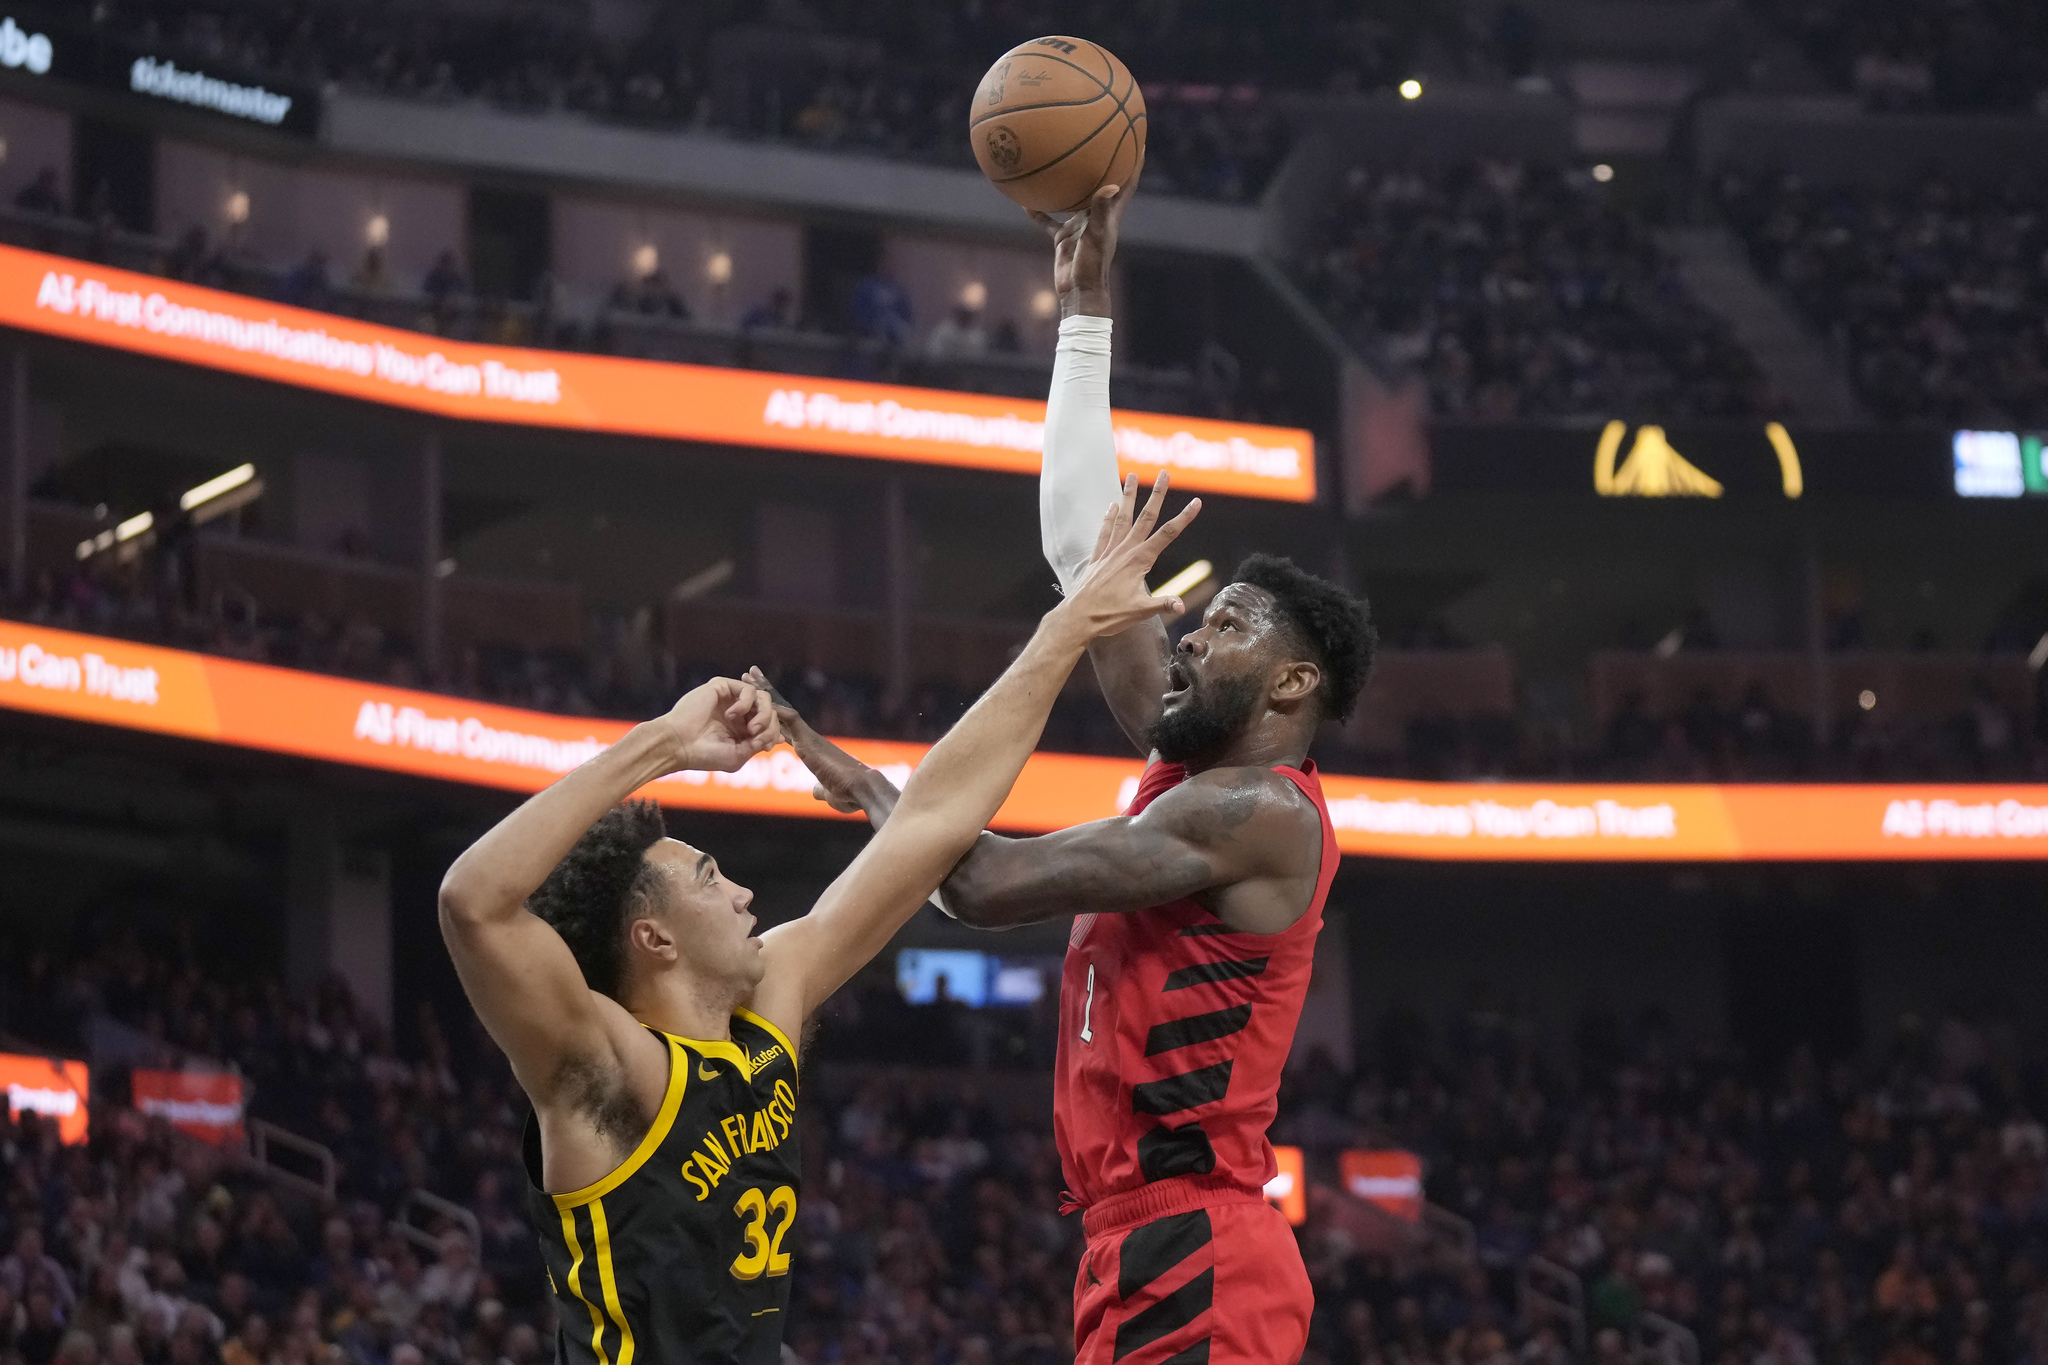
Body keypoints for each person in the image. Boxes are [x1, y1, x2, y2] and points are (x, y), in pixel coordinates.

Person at [782, 160, 1376, 1365]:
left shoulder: (1256, 814)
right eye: (1202, 616)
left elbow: (981, 886)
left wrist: (863, 787)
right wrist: (1085, 310)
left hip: (1198, 1247)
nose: (1196, 627)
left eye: (1230, 626)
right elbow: (1079, 557)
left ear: (1293, 685)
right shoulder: (1187, 771)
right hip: (1130, 1242)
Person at [436, 477, 1199, 1365]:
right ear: (653, 937)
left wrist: (1068, 628)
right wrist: (666, 745)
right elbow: (473, 901)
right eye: (711, 878)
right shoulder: (608, 1072)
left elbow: (931, 821)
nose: (747, 897)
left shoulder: (770, 1005)